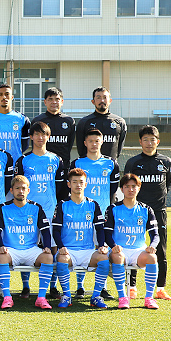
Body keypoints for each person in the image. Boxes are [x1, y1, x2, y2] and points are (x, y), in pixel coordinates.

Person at [14, 121, 65, 299]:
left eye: (43, 134)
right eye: (36, 134)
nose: (40, 137)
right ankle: (26, 287)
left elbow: (59, 188)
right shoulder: (23, 160)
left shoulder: (56, 159)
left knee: (51, 248)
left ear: (48, 136)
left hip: (50, 210)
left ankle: (52, 287)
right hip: (28, 211)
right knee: (26, 245)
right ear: (31, 137)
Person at [124, 125, 171, 301]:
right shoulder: (133, 163)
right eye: (145, 139)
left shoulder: (166, 162)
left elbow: (167, 185)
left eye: (152, 139)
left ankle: (160, 288)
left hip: (158, 211)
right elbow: (128, 186)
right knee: (134, 248)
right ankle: (132, 287)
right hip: (137, 212)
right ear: (140, 142)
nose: (149, 142)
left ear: (158, 141)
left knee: (160, 250)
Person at [69, 128, 119, 299]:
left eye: (97, 141)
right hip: (83, 209)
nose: (94, 144)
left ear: (102, 142)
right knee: (82, 245)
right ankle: (80, 287)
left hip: (103, 212)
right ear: (85, 143)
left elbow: (113, 188)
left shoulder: (111, 163)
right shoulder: (77, 163)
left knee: (101, 248)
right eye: (90, 141)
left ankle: (102, 287)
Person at [0, 175, 54, 310]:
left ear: (28, 190)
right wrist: (1, 246)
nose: (21, 191)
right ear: (11, 191)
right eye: (17, 188)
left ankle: (41, 297)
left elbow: (45, 230)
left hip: (31, 249)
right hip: (11, 249)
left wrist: (47, 247)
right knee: (2, 256)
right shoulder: (3, 207)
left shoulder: (36, 208)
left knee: (48, 257)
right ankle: (7, 297)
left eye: (23, 188)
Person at [51, 168, 109, 309]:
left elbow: (100, 228)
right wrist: (60, 247)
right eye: (74, 182)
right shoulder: (62, 205)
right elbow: (56, 230)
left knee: (104, 259)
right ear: (69, 184)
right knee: (62, 259)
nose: (78, 185)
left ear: (86, 184)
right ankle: (67, 295)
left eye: (81, 182)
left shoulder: (93, 205)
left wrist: (101, 245)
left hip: (87, 250)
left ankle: (95, 296)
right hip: (69, 251)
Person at [104, 173, 160, 310]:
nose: (130, 189)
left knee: (152, 257)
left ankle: (149, 298)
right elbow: (107, 233)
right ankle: (123, 298)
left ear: (139, 188)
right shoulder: (113, 209)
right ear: (121, 189)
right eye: (126, 186)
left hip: (138, 250)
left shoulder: (146, 209)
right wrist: (113, 246)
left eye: (133, 186)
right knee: (117, 256)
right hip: (119, 250)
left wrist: (152, 246)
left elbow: (156, 235)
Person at [0, 84, 30, 162]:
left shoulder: (22, 119)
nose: (4, 97)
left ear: (12, 97)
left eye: (7, 94)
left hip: (15, 163)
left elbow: (25, 144)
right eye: (0, 95)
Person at [76, 86, 127, 160]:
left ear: (110, 100)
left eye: (105, 97)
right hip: (89, 167)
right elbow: (81, 149)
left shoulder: (119, 122)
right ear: (93, 101)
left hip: (110, 167)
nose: (102, 100)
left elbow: (118, 149)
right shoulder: (84, 122)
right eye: (98, 97)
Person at [31, 87, 75, 170]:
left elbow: (70, 144)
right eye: (50, 99)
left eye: (57, 99)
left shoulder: (69, 121)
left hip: (63, 166)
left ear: (62, 101)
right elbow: (34, 144)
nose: (54, 102)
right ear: (45, 102)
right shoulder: (37, 120)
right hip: (42, 166)